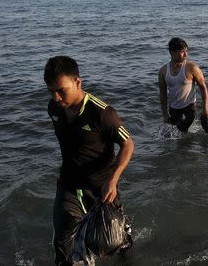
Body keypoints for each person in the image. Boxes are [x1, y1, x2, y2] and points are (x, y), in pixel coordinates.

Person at [44, 56, 134, 265]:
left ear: (77, 82)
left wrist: (113, 180)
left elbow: (128, 144)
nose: (56, 97)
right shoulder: (54, 108)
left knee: (119, 241)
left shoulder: (102, 113)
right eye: (51, 91)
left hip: (102, 188)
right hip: (68, 186)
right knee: (62, 245)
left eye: (61, 90)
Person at [158, 37, 208, 133]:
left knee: (182, 132)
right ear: (172, 53)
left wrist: (205, 109)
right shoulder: (163, 71)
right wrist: (165, 114)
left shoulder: (192, 67)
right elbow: (163, 94)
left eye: (186, 51)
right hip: (173, 109)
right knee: (175, 135)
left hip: (189, 108)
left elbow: (203, 87)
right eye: (182, 51)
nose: (185, 54)